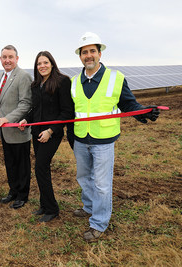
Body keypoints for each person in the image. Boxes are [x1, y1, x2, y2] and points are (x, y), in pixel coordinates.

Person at [71, 32, 160, 242]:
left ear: (99, 53)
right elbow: (69, 110)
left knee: (102, 183)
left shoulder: (115, 78)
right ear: (80, 56)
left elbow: (129, 104)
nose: (89, 55)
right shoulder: (74, 82)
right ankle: (89, 207)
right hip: (81, 139)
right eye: (85, 52)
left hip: (104, 139)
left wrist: (143, 112)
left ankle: (99, 223)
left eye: (93, 51)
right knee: (83, 178)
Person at [19, 51, 74, 222]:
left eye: (45, 62)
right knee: (42, 169)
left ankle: (52, 209)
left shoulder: (62, 81)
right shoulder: (36, 85)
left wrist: (50, 131)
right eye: (39, 64)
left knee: (40, 168)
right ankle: (44, 205)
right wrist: (25, 120)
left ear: (52, 63)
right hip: (37, 133)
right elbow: (35, 109)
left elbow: (67, 111)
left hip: (52, 133)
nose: (42, 66)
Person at [0, 45, 32, 209]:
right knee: (9, 163)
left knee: (21, 165)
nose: (7, 60)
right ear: (1, 59)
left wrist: (7, 119)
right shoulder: (0, 77)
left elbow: (25, 104)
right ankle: (13, 191)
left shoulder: (23, 76)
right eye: (4, 57)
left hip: (18, 129)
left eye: (10, 57)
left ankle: (22, 196)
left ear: (17, 59)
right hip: (5, 131)